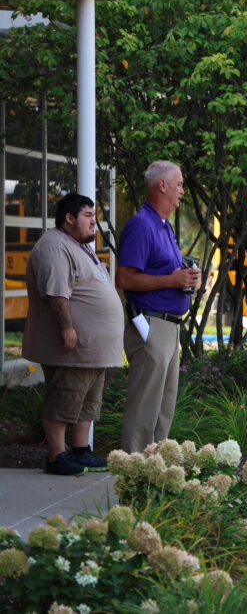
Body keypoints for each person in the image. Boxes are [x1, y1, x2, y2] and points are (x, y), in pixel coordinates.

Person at [23, 193, 125, 475]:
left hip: (92, 351)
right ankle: (57, 456)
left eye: (95, 217)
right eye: (88, 217)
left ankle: (80, 451)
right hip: (72, 347)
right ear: (69, 219)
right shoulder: (54, 247)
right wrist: (67, 328)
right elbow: (57, 293)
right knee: (64, 398)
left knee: (86, 402)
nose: (95, 223)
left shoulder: (79, 246)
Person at [117, 160, 200, 453]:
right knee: (145, 406)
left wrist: (187, 280)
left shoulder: (163, 227)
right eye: (178, 185)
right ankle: (134, 469)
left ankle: (156, 468)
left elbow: (169, 275)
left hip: (169, 326)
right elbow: (125, 278)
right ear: (161, 185)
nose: (182, 192)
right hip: (150, 325)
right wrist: (171, 280)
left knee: (164, 406)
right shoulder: (142, 225)